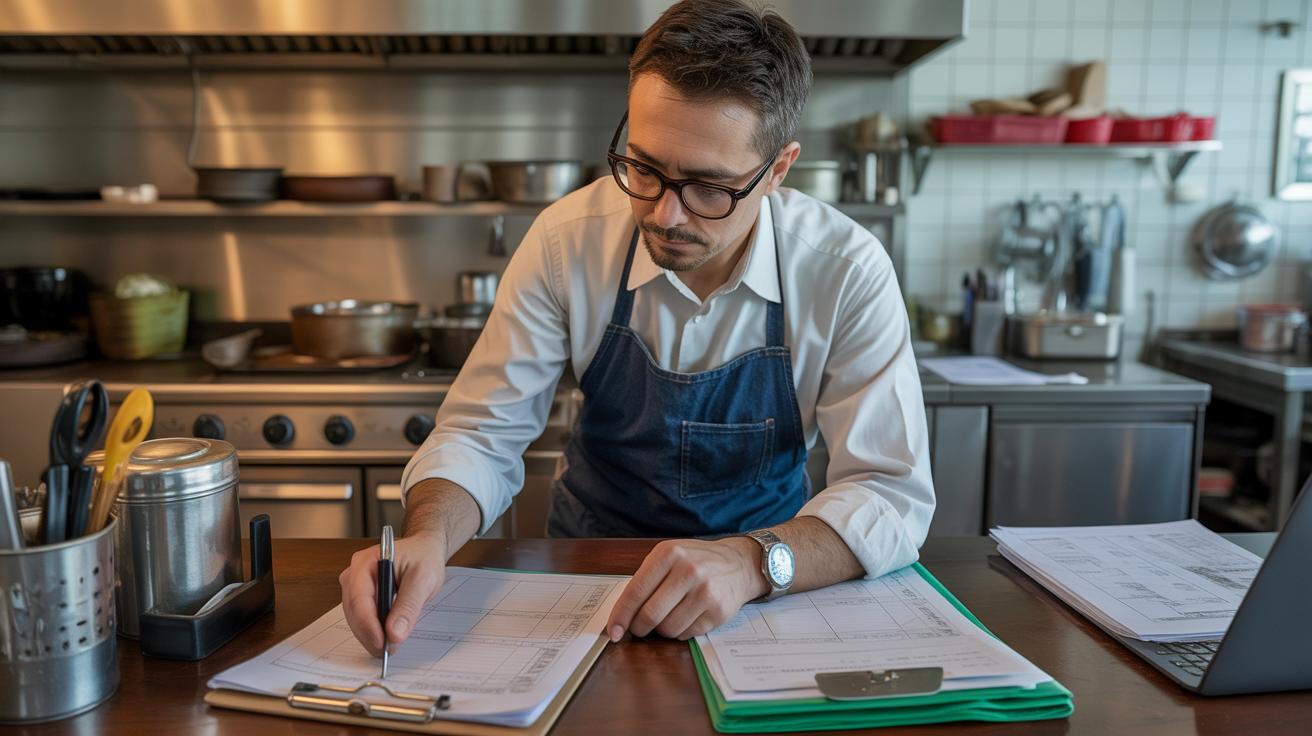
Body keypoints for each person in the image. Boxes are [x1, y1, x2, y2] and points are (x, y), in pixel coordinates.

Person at [339, 0, 934, 655]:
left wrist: (750, 563)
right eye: (644, 167)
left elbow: (889, 494)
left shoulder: (845, 270)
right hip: (589, 582)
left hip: (764, 590)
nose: (663, 213)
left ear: (779, 170)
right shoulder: (568, 241)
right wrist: (428, 536)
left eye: (709, 187)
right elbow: (481, 434)